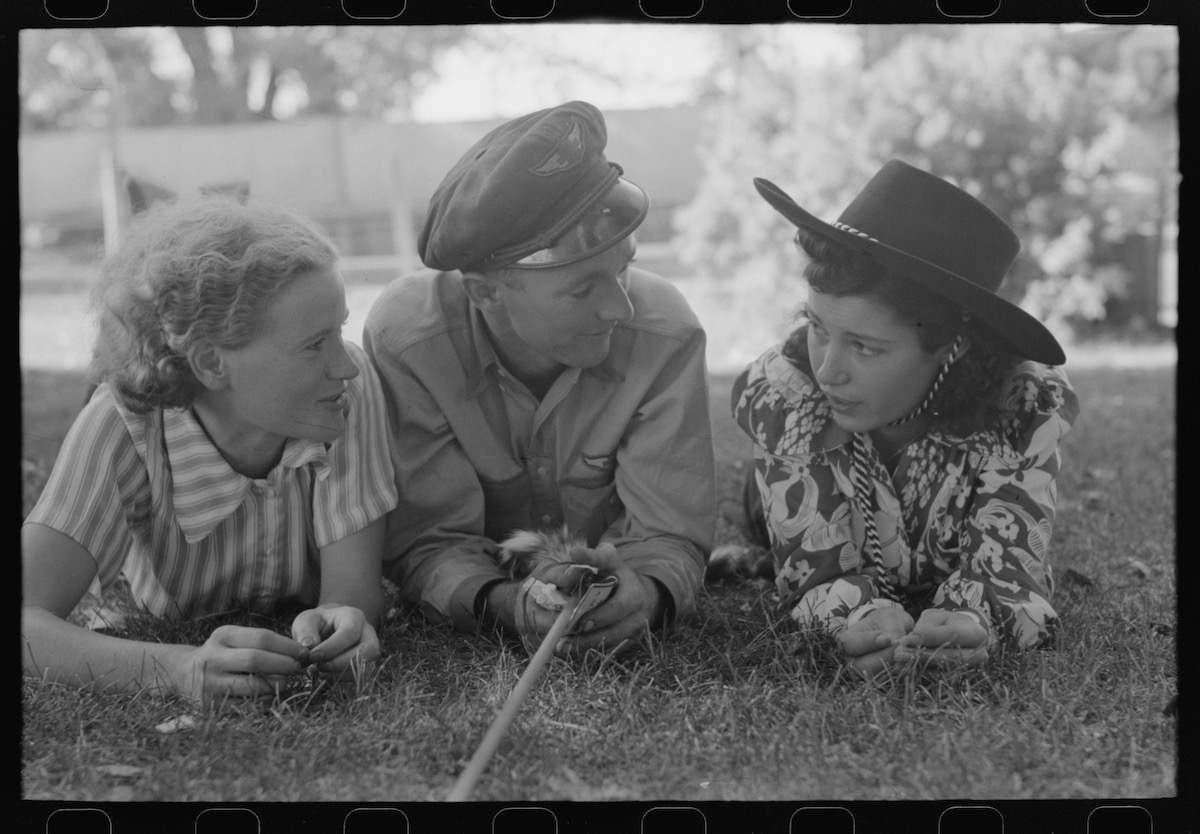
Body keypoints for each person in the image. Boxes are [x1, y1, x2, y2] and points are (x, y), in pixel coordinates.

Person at [364, 101, 716, 655]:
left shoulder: (665, 332)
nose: (620, 308)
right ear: (484, 293)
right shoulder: (410, 342)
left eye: (624, 267)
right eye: (582, 289)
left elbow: (668, 533)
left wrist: (644, 595)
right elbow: (430, 541)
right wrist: (505, 605)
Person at [21, 196, 398, 703]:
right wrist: (178, 669)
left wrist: (345, 617)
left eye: (340, 332)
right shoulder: (121, 427)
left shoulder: (345, 393)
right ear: (211, 364)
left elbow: (353, 590)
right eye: (314, 345)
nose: (345, 365)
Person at [732, 160, 1080, 678]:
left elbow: (1011, 578)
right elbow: (812, 576)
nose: (828, 372)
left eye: (865, 348)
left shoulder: (1022, 409)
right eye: (818, 326)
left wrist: (972, 623)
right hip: (776, 499)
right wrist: (854, 617)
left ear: (952, 347)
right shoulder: (787, 394)